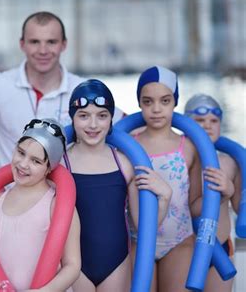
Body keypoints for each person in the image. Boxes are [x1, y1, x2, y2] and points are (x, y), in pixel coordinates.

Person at [0, 11, 125, 168]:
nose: (43, 50)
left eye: (51, 42)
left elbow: (130, 126)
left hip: (67, 198)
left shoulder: (82, 90)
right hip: (11, 196)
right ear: (22, 44)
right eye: (35, 42)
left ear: (63, 45)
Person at [65, 79, 172, 292]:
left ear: (111, 119)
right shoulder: (61, 164)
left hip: (116, 262)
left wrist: (165, 197)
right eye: (84, 116)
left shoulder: (124, 164)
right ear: (72, 118)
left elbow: (143, 226)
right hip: (73, 263)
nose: (93, 125)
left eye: (102, 116)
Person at [0, 118, 81, 292]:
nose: (23, 164)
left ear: (49, 168)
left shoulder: (57, 208)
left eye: (36, 161)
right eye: (21, 153)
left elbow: (72, 266)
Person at [131, 66, 203, 291]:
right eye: (148, 101)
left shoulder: (189, 147)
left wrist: (223, 195)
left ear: (175, 102)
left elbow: (194, 202)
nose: (156, 109)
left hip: (179, 241)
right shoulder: (129, 145)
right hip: (137, 240)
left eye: (164, 101)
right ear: (140, 103)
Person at [184, 94, 240, 292]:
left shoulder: (230, 162)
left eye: (214, 120)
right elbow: (185, 209)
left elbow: (240, 206)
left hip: (221, 248)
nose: (207, 125)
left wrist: (231, 191)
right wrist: (222, 195)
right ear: (185, 124)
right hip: (186, 250)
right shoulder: (180, 161)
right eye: (199, 120)